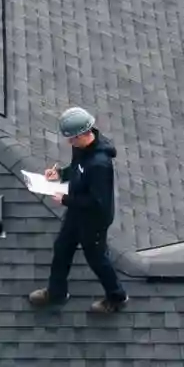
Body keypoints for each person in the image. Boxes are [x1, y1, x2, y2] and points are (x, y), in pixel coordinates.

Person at [27, 106, 126, 315]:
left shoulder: (100, 164)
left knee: (97, 259)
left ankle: (117, 297)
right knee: (62, 248)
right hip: (76, 213)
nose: (69, 143)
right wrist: (61, 175)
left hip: (94, 220)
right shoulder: (81, 148)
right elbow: (77, 169)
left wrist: (65, 199)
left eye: (71, 139)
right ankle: (56, 292)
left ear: (83, 134)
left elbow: (97, 202)